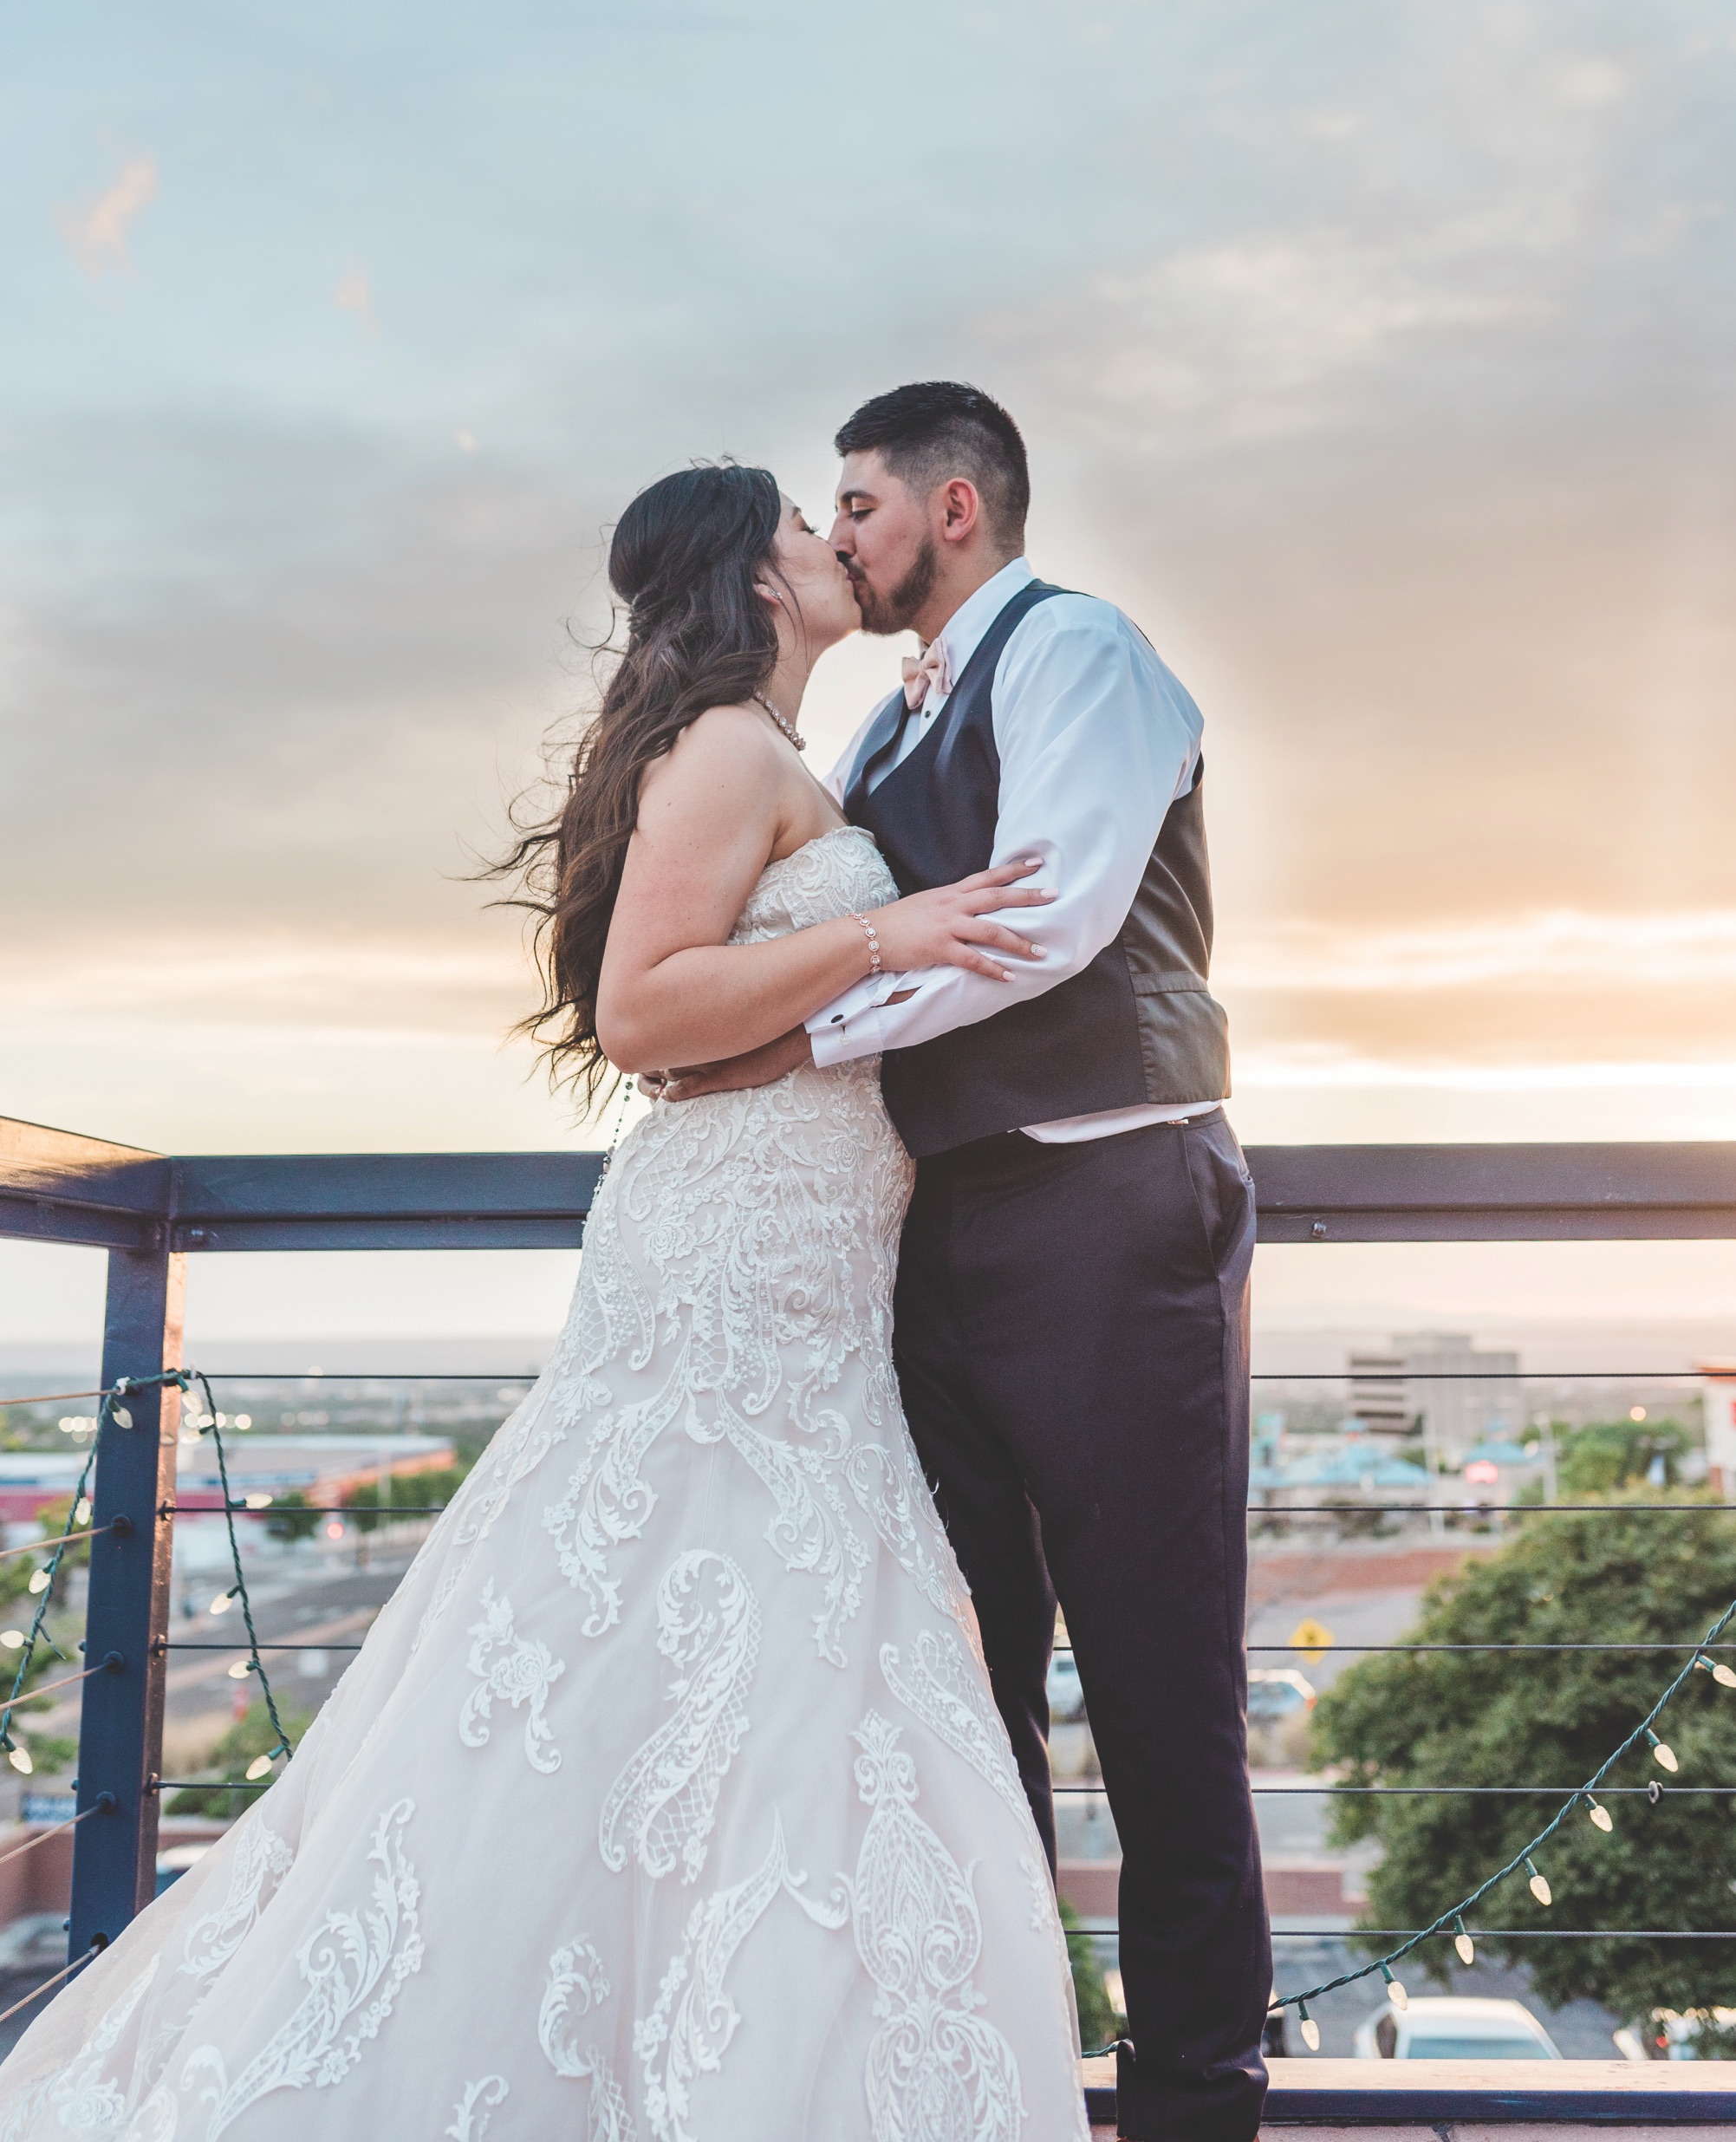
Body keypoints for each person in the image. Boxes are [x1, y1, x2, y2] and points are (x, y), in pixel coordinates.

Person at [0, 465, 1087, 2142]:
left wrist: (835, 1018)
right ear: (752, 576)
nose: (828, 540)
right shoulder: (729, 747)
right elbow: (643, 1011)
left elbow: (713, 1045)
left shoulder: (787, 757)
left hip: (801, 1256)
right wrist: (893, 940)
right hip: (732, 1266)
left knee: (715, 1653)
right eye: (803, 522)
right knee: (706, 1633)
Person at [660, 386, 1271, 2142]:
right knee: (964, 1676)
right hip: (942, 1235)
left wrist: (803, 1038)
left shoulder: (1081, 656)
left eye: (854, 502)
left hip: (1106, 1205)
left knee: (1161, 1679)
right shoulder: (878, 735)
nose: (834, 534)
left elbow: (1048, 917)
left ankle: (1190, 2098)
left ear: (951, 504)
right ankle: (1000, 2074)